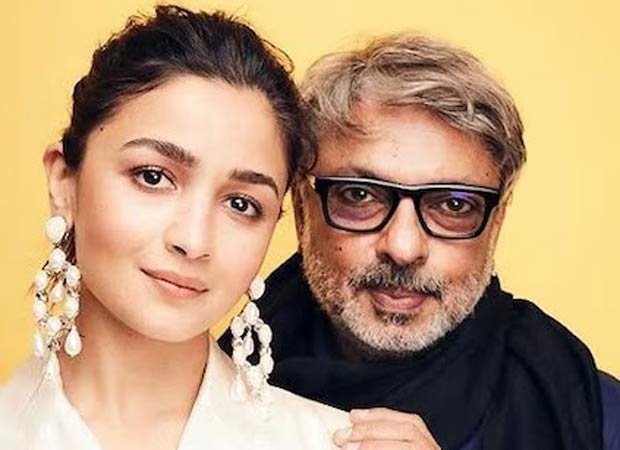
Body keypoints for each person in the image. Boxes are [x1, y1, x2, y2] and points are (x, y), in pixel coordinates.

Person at [220, 34, 620, 449]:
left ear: (496, 222)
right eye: (360, 195)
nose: (403, 248)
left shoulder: (595, 415)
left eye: (453, 204)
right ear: (304, 207)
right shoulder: (213, 388)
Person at [0, 5, 352, 449]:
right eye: (153, 177)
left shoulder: (332, 442)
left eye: (241, 204)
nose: (193, 240)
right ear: (64, 181)